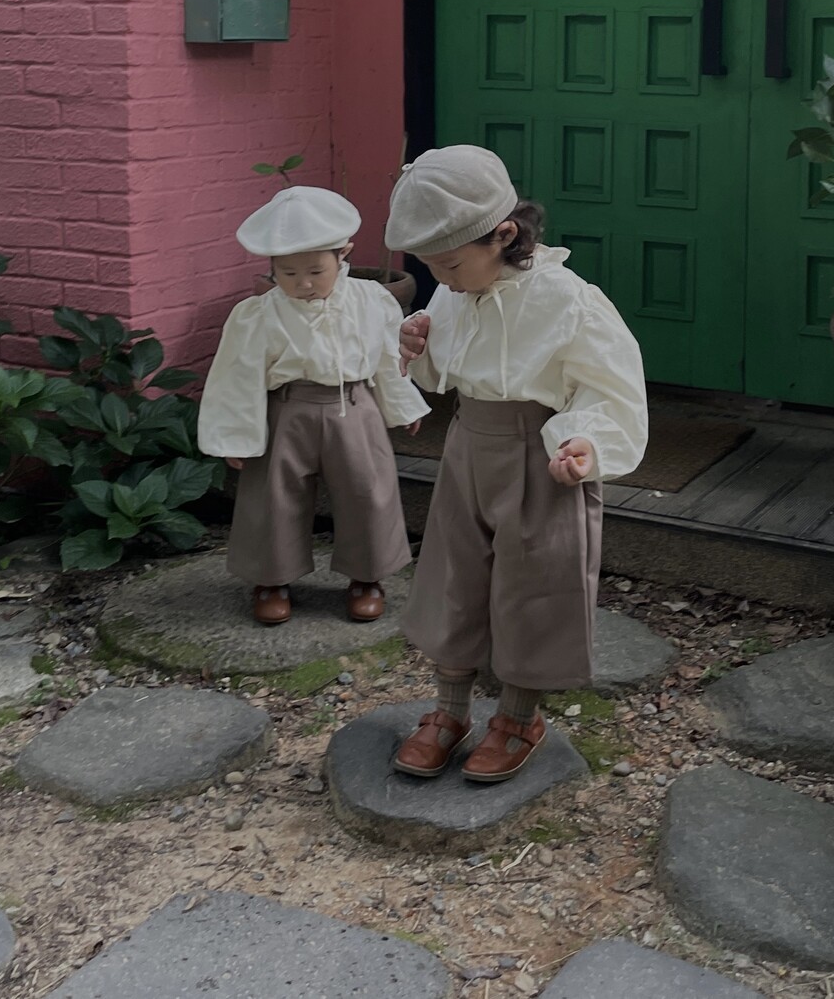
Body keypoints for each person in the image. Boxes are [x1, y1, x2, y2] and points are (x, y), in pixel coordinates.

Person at [384, 146, 647, 783]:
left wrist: (586, 442)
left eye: (449, 263)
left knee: (534, 583)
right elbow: (449, 364)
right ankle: (451, 709)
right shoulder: (459, 289)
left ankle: (519, 716)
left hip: (540, 455)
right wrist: (417, 347)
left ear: (503, 235)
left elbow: (610, 387)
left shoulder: (569, 301)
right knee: (454, 573)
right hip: (468, 446)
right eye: (429, 266)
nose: (441, 278)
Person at [198, 186, 429, 626]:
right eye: (287, 273)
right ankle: (271, 579)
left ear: (343, 255)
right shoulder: (258, 315)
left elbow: (387, 357)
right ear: (271, 267)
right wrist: (235, 436)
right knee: (273, 496)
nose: (303, 283)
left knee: (367, 490)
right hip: (287, 410)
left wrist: (404, 405)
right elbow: (237, 375)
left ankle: (367, 577)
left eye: (315, 271)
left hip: (354, 406)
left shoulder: (370, 300)